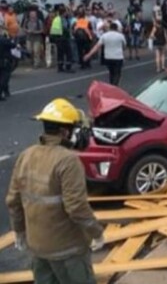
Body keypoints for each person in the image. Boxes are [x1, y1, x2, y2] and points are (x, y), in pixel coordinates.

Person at [6, 98, 104, 284]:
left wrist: (19, 231)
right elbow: (76, 207)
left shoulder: (26, 155)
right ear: (65, 131)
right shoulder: (68, 161)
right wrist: (96, 232)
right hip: (68, 251)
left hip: (38, 248)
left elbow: (13, 200)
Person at [50, 7, 74, 73]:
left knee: (60, 53)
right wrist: (69, 32)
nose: (67, 13)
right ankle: (68, 67)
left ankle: (60, 67)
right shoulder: (63, 19)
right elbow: (65, 28)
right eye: (66, 12)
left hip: (57, 38)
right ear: (64, 12)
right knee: (69, 53)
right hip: (64, 37)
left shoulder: (56, 19)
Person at [0, 35, 15, 100]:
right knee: (5, 77)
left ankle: (6, 91)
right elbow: (13, 45)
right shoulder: (3, 39)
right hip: (4, 61)